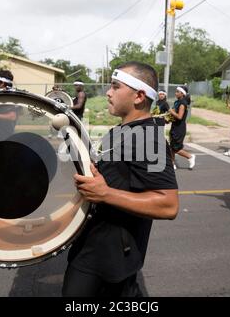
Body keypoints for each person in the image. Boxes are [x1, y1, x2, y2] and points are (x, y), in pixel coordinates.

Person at [62, 61, 179, 297]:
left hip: (110, 259)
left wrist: (106, 193)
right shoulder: (122, 131)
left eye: (115, 86)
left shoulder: (150, 138)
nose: (108, 92)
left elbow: (168, 204)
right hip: (95, 247)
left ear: (138, 96)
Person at [168, 85, 196, 170]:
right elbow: (173, 115)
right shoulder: (177, 102)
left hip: (179, 128)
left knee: (176, 148)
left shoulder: (183, 104)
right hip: (174, 126)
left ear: (182, 93)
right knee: (172, 147)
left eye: (177, 92)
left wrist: (171, 111)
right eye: (176, 91)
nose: (175, 93)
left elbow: (180, 117)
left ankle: (190, 156)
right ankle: (172, 164)